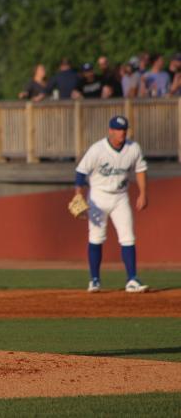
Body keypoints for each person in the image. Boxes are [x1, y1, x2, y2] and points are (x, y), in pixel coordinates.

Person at [74, 115, 148, 293]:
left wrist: (143, 193)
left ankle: (132, 280)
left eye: (124, 129)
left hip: (120, 197)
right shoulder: (97, 149)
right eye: (118, 129)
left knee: (128, 237)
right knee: (96, 237)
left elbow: (140, 169)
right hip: (98, 197)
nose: (121, 132)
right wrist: (78, 196)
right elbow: (80, 172)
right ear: (110, 131)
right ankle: (94, 280)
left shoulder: (133, 148)